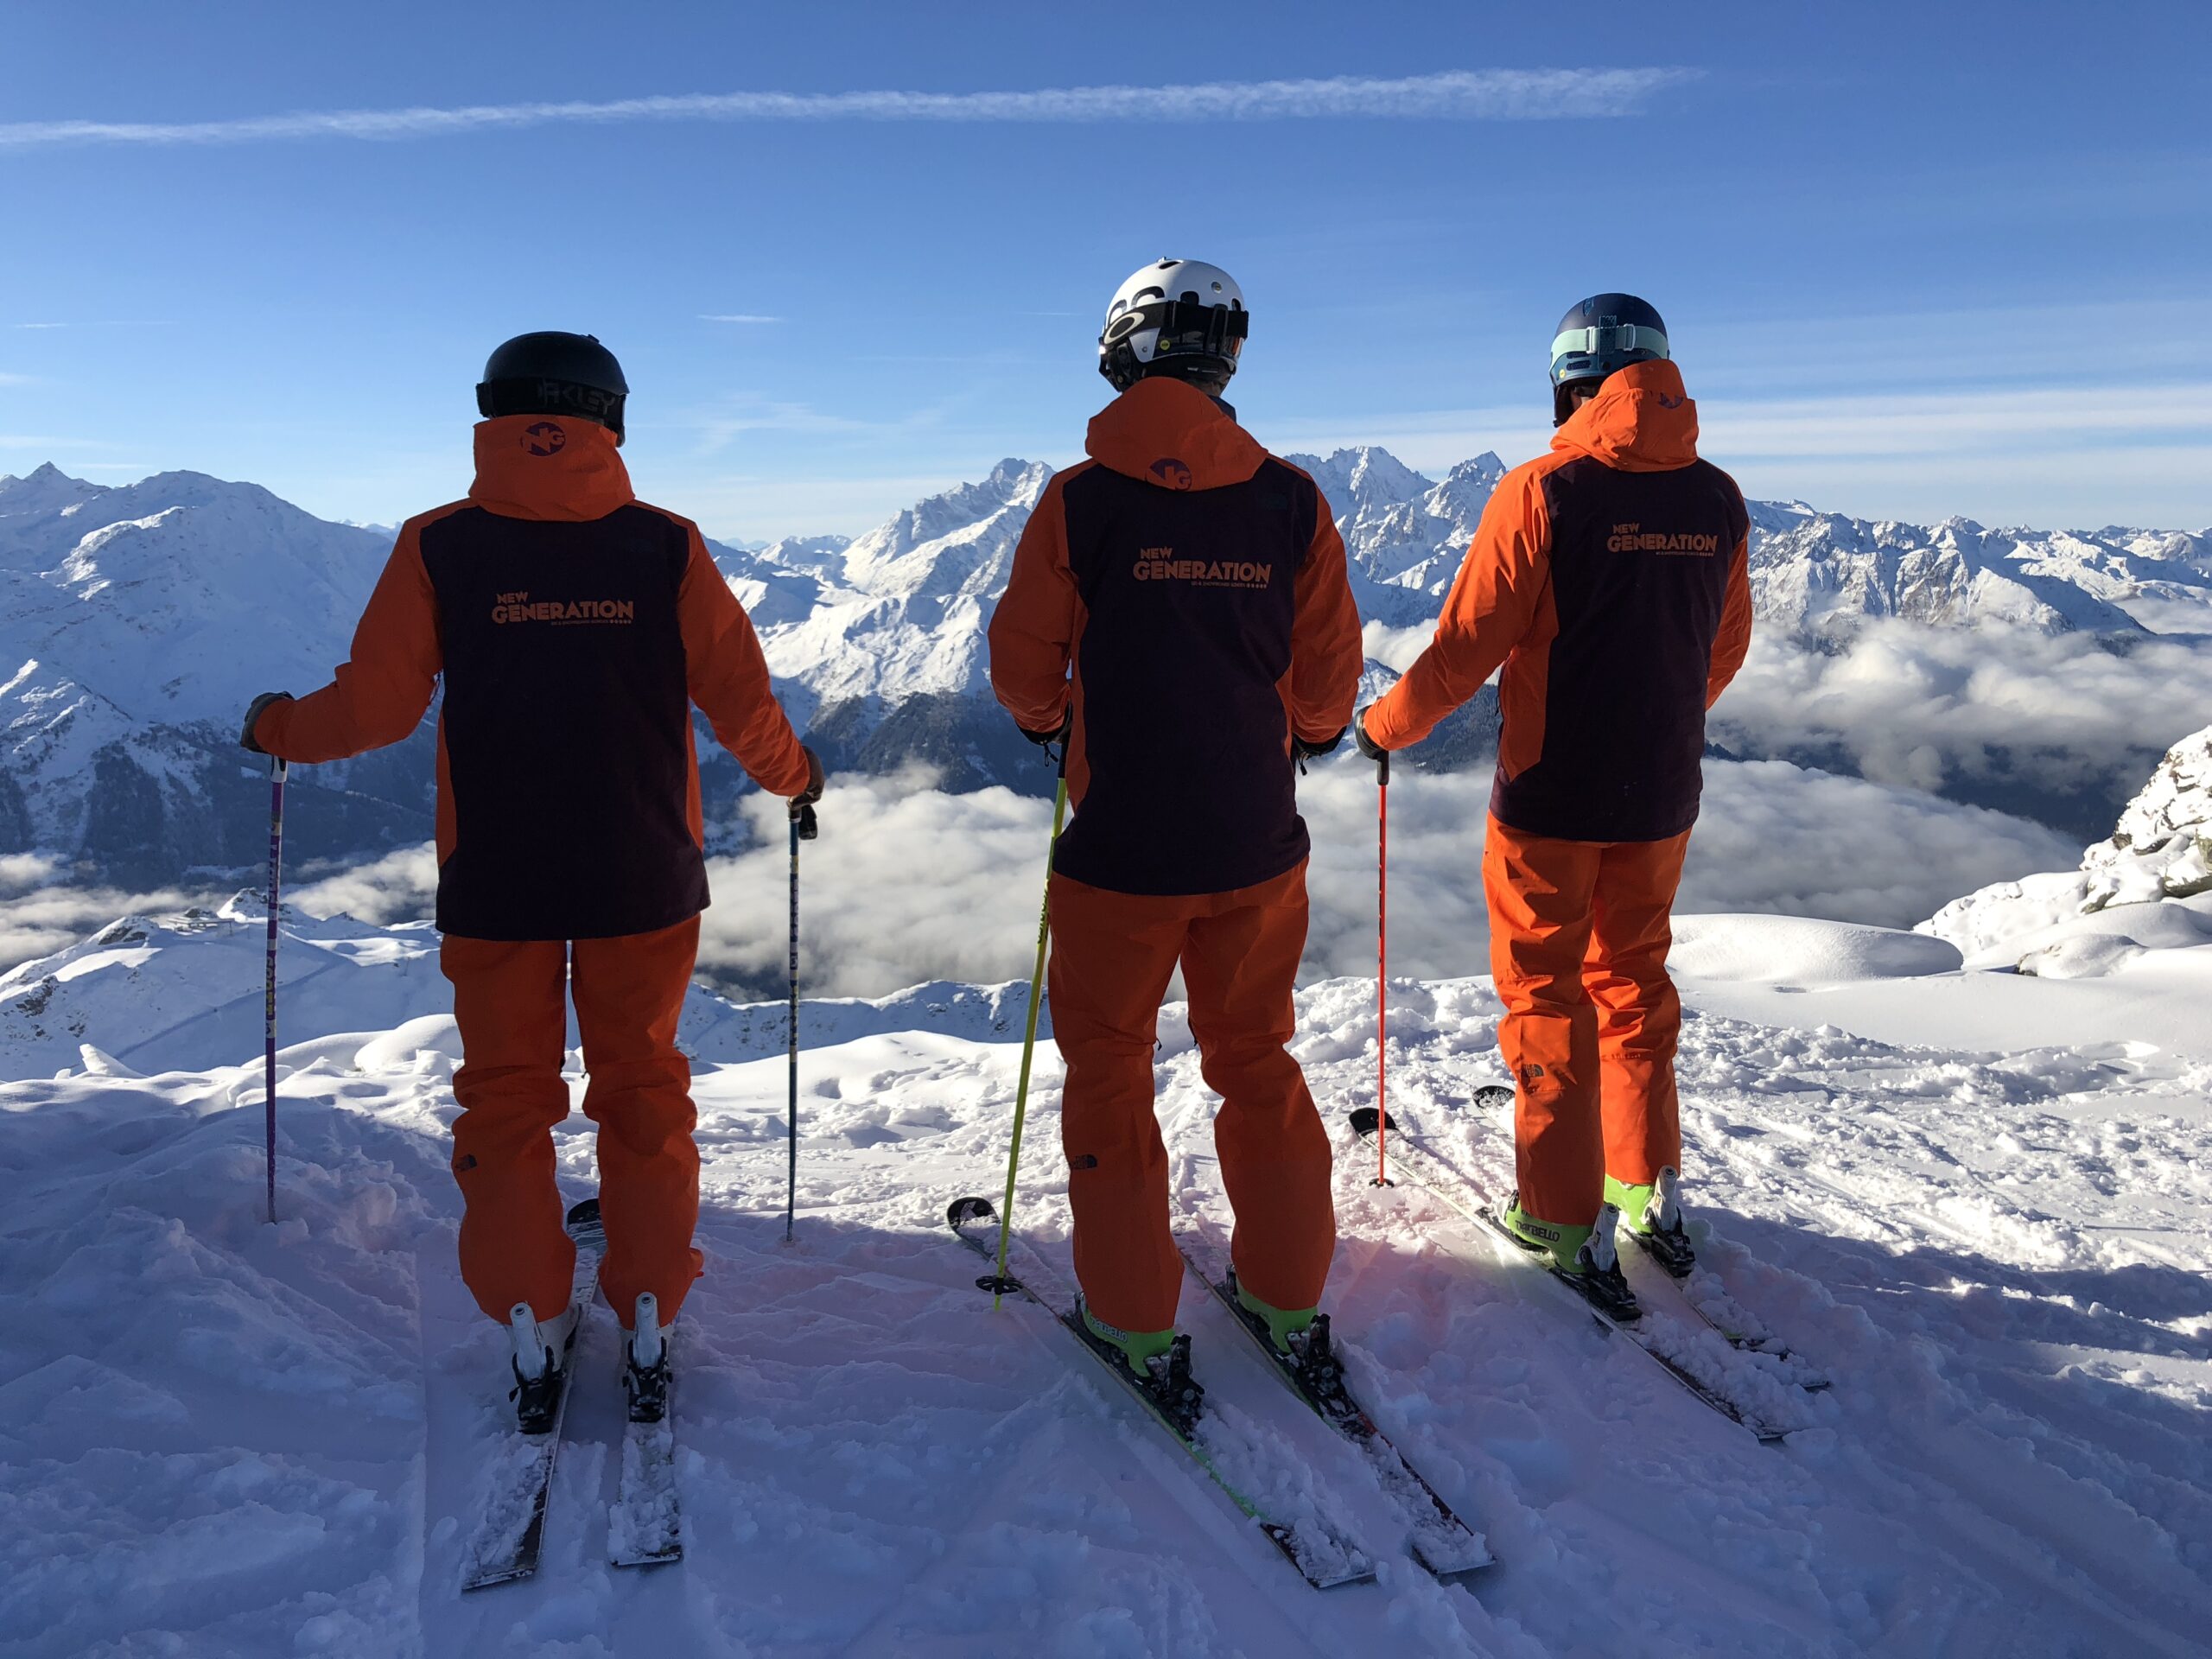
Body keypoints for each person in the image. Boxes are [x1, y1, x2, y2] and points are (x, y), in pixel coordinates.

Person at [239, 331, 823, 1427]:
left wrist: (276, 727)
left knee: (506, 1099)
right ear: (614, 419)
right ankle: (649, 1299)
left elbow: (375, 709)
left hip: (496, 871)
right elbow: (743, 703)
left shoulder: (439, 546)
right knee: (642, 1088)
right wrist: (797, 779)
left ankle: (528, 1317)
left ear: (490, 413)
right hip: (643, 872)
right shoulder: (667, 547)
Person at [988, 258, 1364, 1394]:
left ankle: (1135, 1318)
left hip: (1118, 855)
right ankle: (1289, 1293)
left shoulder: (1080, 500)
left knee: (1110, 1068)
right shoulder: (1291, 500)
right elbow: (1329, 683)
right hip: (1256, 846)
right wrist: (1296, 730)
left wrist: (1057, 722)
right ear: (1225, 359)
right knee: (1254, 1059)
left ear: (1123, 352)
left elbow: (1022, 667)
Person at [1355, 294, 1751, 1319]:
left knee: (1546, 996)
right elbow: (1724, 645)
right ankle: (1646, 1185)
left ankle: (1559, 1216)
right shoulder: (1717, 497)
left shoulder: (1543, 489)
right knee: (1633, 987)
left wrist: (1383, 727)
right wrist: (1659, 719)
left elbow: (1463, 647)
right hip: (1663, 790)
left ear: (1565, 382)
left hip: (1549, 795)